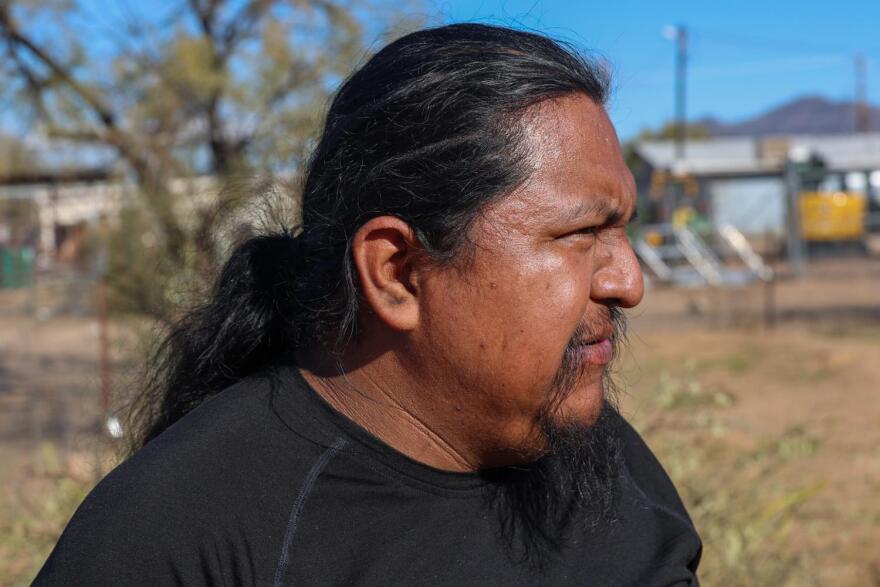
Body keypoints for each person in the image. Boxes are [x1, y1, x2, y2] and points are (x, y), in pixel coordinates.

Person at [34, 23, 701, 586]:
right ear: (397, 272)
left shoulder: (602, 457)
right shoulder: (177, 535)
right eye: (581, 233)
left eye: (623, 229)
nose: (629, 282)